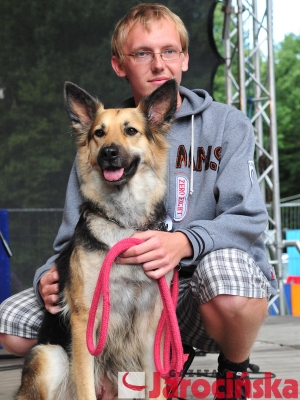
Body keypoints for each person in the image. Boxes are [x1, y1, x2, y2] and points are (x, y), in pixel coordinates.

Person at [0, 3, 277, 399]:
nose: (158, 64)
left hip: (196, 289)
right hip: (117, 289)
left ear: (184, 58)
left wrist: (183, 242)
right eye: (142, 53)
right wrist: (48, 274)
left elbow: (249, 219)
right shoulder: (102, 133)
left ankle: (232, 369)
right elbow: (70, 238)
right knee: (11, 324)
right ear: (119, 64)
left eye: (168, 51)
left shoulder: (227, 125)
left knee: (229, 279)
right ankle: (117, 378)